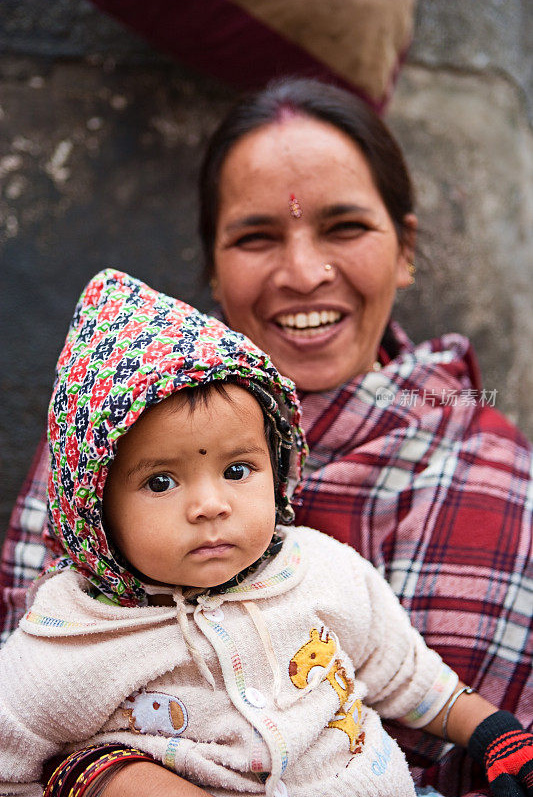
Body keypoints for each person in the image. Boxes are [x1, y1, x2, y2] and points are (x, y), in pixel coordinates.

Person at [1, 78, 531, 796]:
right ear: (213, 269)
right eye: (256, 236)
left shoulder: (498, 483)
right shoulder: (96, 443)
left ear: (404, 250)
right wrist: (99, 775)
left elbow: (433, 702)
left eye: (344, 227)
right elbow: (33, 718)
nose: (304, 273)